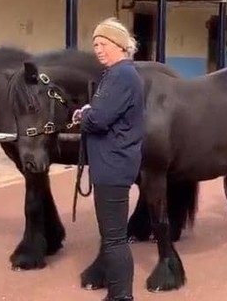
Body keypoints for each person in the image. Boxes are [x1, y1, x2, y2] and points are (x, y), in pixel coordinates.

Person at [72, 17, 144, 301]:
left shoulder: (121, 75)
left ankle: (121, 296)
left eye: (102, 44)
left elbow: (100, 119)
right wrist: (91, 110)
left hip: (113, 167)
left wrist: (85, 114)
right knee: (111, 236)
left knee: (114, 239)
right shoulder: (119, 74)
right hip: (114, 164)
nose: (98, 50)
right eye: (95, 45)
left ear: (118, 45)